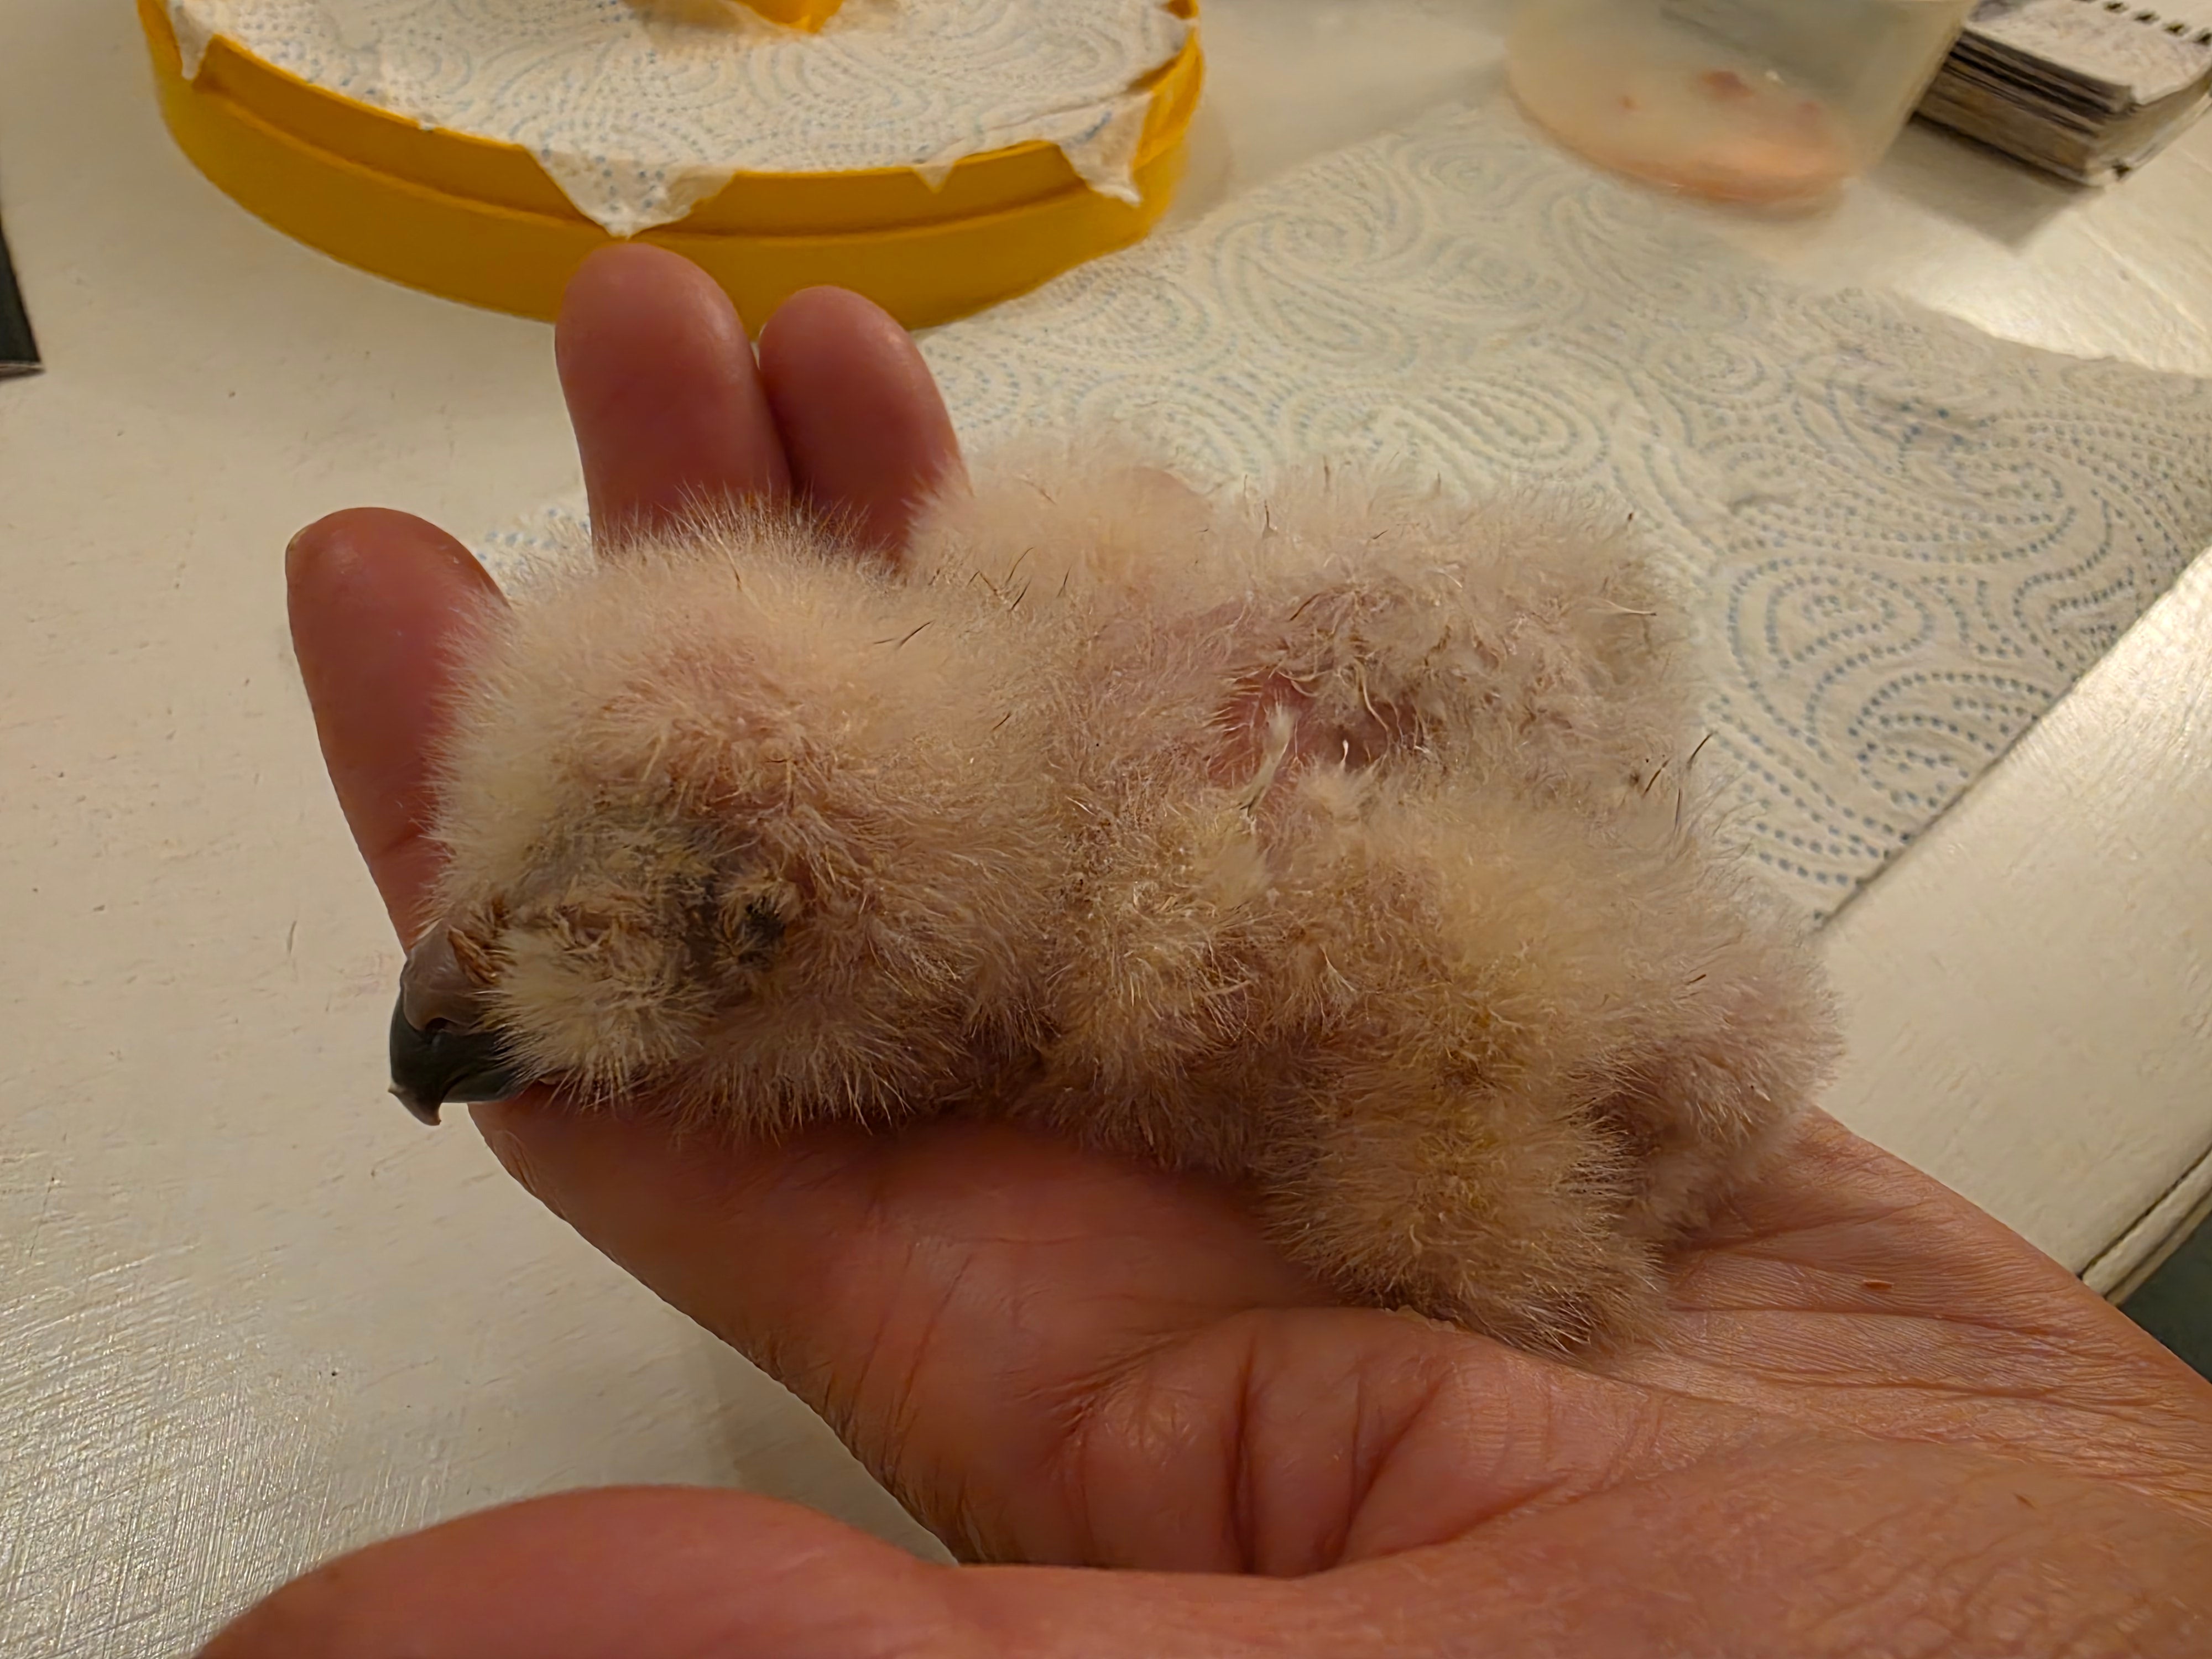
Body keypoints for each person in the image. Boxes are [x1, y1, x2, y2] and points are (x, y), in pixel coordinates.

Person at [207, 244, 2212, 1657]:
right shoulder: (1047, 658)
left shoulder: (1229, 915)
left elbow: (1522, 1022)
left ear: (778, 930)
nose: (468, 976)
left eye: (582, 928)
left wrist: (1537, 1281)